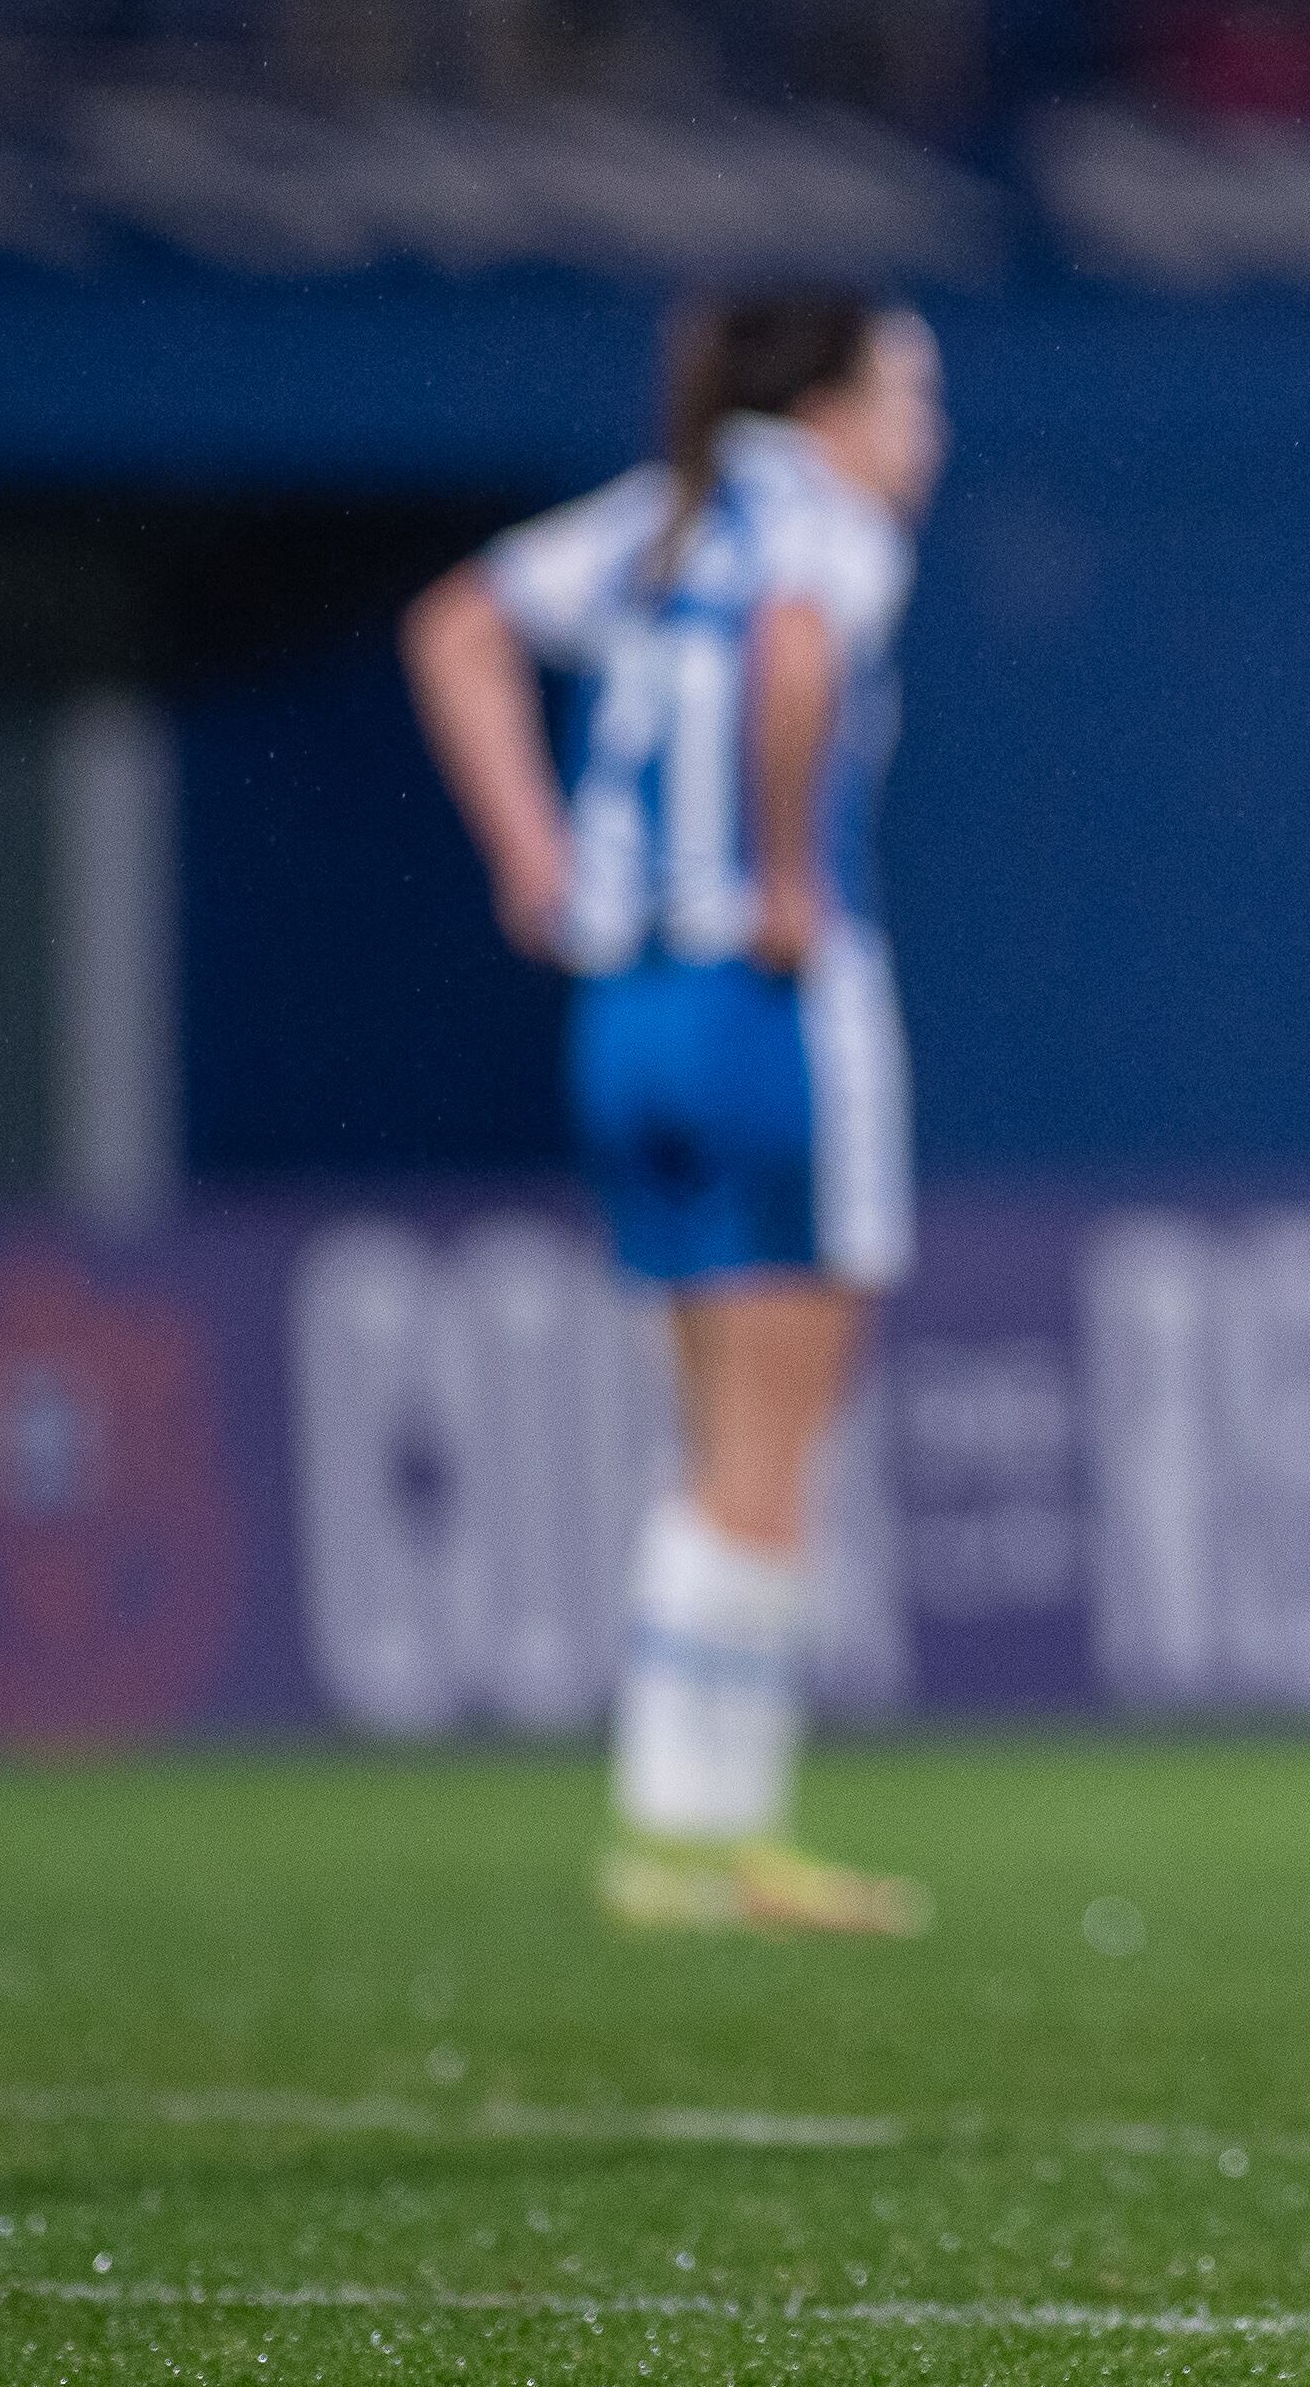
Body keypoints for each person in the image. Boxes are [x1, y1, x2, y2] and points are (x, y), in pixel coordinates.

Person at [404, 288, 946, 1939]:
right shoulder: (823, 521)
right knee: (775, 1441)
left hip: (623, 1008)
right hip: (764, 1003)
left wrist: (531, 855)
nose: (925, 431)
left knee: (707, 1435)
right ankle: (718, 1836)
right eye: (911, 392)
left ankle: (667, 1827)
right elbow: (792, 649)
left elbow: (456, 630)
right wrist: (783, 867)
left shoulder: (664, 514)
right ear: (840, 405)